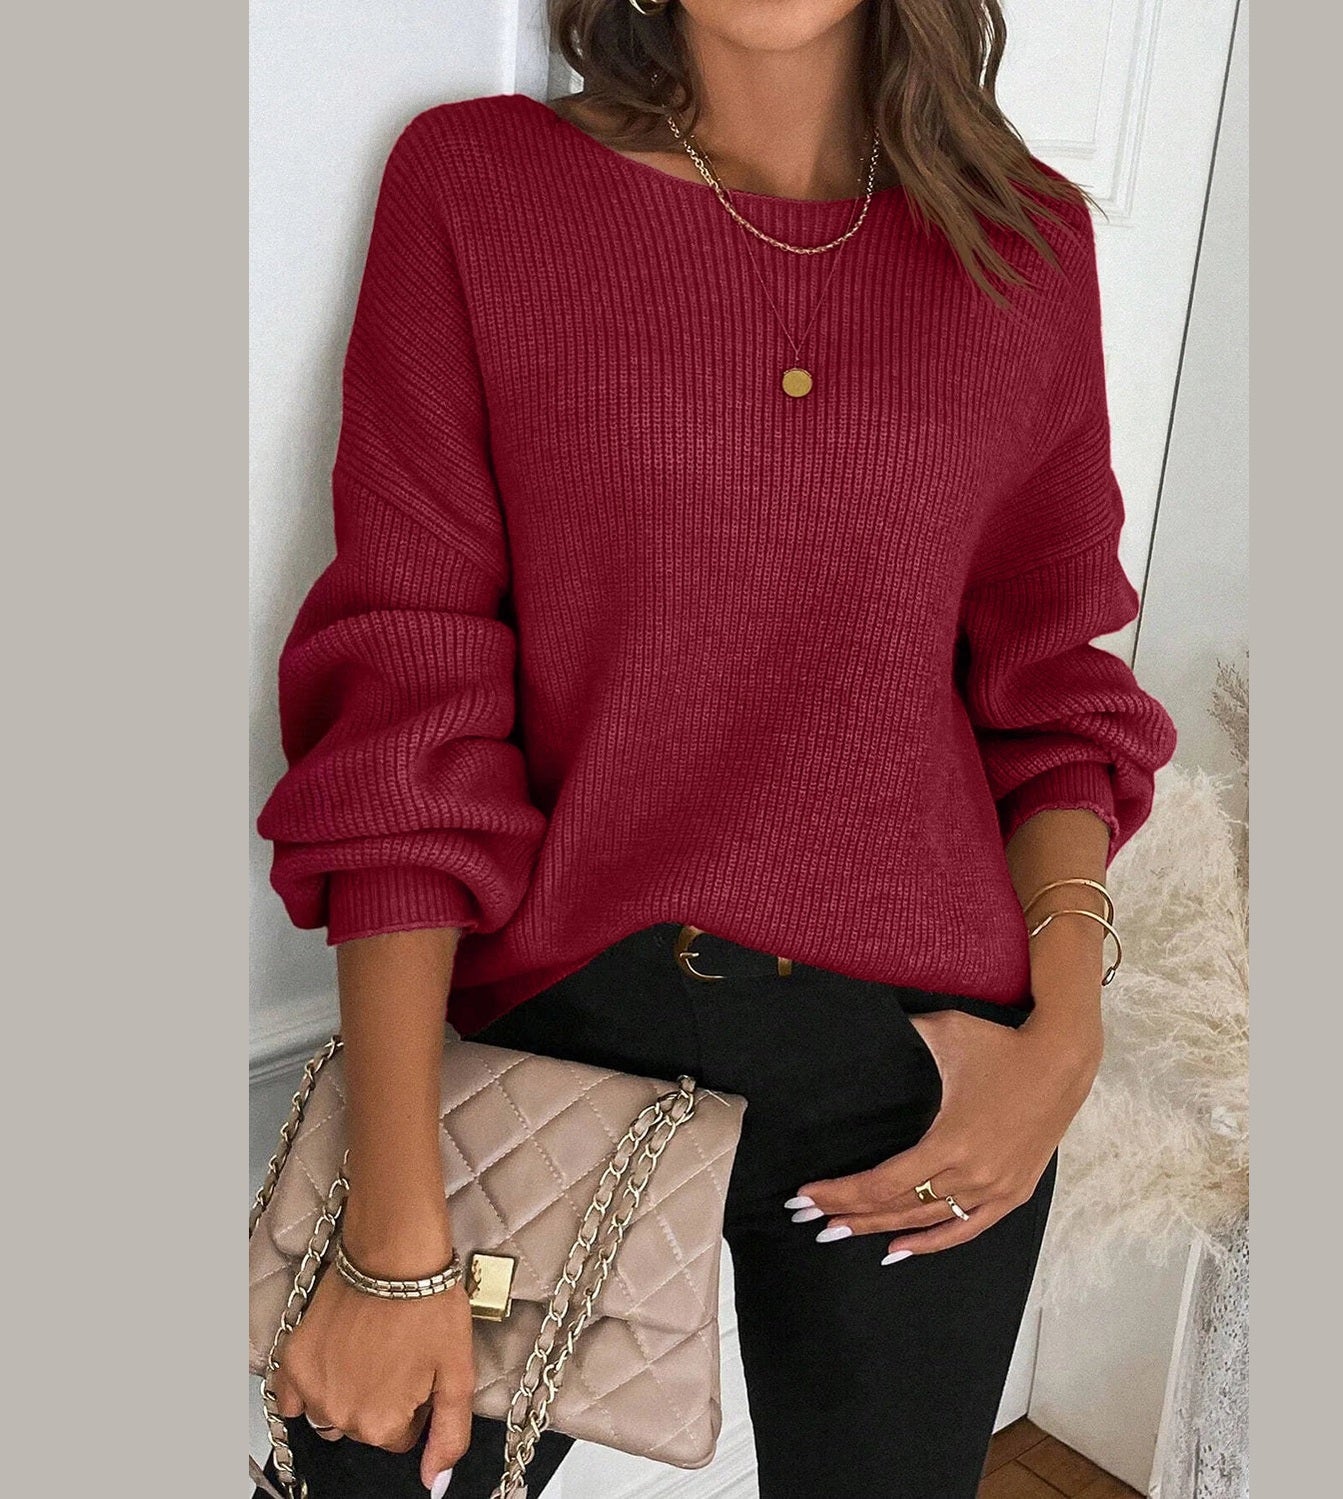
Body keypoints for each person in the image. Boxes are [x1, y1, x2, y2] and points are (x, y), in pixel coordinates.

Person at [253, 2, 1177, 1495]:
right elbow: (410, 697)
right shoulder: (481, 187)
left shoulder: (1023, 243)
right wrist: (392, 1233)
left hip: (922, 1064)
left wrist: (1063, 1042)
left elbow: (1051, 690)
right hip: (556, 1028)